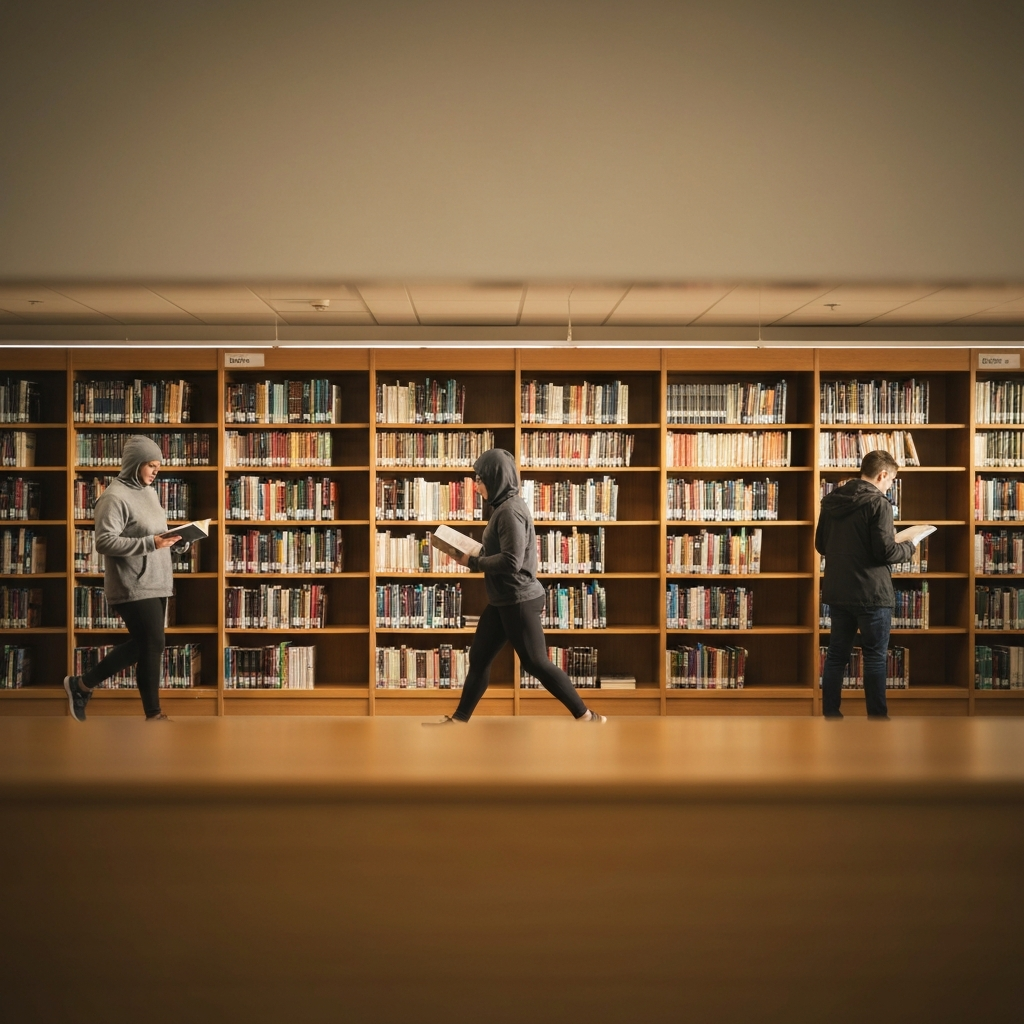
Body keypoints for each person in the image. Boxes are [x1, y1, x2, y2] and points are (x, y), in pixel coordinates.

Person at [428, 448, 605, 723]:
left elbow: (512, 561)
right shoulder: (503, 506)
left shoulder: (509, 511)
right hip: (503, 599)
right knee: (479, 657)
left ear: (496, 479)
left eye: (480, 479)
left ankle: (587, 716)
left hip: (518, 599)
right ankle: (459, 719)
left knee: (536, 663)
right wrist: (477, 554)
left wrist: (473, 562)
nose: (476, 486)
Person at [63, 436, 189, 721]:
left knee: (147, 644)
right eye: (151, 465)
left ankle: (81, 685)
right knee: (152, 643)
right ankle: (153, 713)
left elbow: (155, 533)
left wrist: (178, 541)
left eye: (158, 466)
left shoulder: (150, 492)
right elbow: (105, 542)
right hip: (131, 583)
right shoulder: (113, 497)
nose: (156, 471)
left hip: (158, 580)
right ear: (135, 464)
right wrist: (151, 544)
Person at [815, 449, 916, 719]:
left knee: (836, 655)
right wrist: (909, 546)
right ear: (882, 474)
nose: (889, 485)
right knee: (874, 657)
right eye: (891, 480)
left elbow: (820, 545)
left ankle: (830, 716)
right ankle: (877, 719)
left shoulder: (831, 500)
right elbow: (886, 552)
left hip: (838, 590)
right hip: (872, 593)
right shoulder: (878, 503)